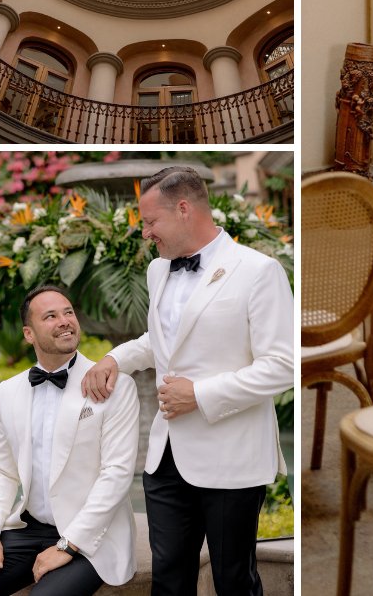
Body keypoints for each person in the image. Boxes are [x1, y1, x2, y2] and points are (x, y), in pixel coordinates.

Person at [80, 165, 294, 596]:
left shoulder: (258, 271)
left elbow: (284, 364)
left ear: (183, 210)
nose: (146, 233)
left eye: (150, 222)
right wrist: (115, 359)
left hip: (231, 457)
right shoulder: (158, 271)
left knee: (234, 580)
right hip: (165, 458)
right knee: (169, 580)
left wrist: (200, 393)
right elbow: (161, 341)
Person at [0, 286, 137, 596]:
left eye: (68, 312)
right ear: (29, 334)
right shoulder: (9, 391)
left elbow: (116, 474)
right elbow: (2, 470)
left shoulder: (116, 386)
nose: (65, 321)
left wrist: (68, 544)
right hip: (28, 530)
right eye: (51, 316)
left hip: (90, 537)